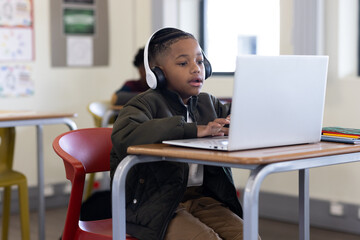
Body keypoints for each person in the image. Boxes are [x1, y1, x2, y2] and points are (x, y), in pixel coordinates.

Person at [110, 28, 257, 240]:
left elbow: (234, 116)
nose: (196, 69)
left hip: (204, 199)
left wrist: (238, 122)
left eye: (199, 61)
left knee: (249, 237)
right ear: (158, 73)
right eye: (183, 63)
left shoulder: (208, 103)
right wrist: (193, 130)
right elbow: (125, 134)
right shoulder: (144, 104)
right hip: (156, 204)